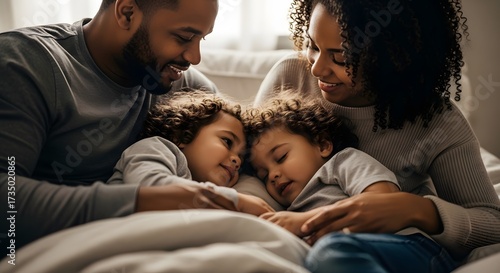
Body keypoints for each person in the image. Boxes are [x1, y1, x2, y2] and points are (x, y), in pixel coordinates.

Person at [255, 0, 500, 272]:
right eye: (312, 46)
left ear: (394, 57)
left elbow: (491, 222)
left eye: (341, 58)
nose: (317, 69)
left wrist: (414, 209)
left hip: (404, 246)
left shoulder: (436, 120)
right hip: (326, 246)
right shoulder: (291, 76)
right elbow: (248, 162)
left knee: (333, 253)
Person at [0, 0, 237, 252]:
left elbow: (250, 139)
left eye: (202, 39)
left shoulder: (177, 84)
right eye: (184, 37)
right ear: (126, 13)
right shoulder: (25, 63)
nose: (194, 57)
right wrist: (160, 200)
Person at [243, 92, 400, 236]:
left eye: (281, 157)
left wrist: (305, 220)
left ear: (322, 145)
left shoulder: (342, 162)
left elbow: (384, 200)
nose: (273, 175)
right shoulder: (290, 209)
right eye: (263, 176)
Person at [108, 89, 274, 215]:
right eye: (227, 142)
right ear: (182, 134)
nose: (237, 161)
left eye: (240, 158)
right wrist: (235, 201)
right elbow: (150, 187)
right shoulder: (155, 147)